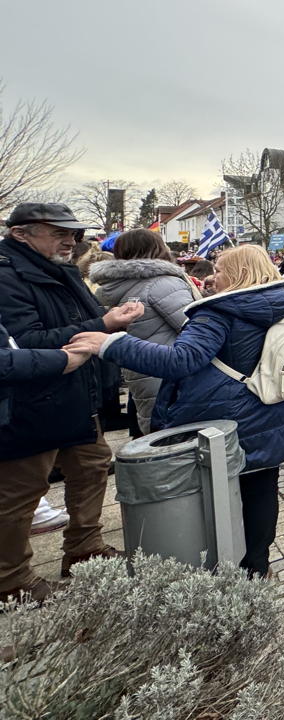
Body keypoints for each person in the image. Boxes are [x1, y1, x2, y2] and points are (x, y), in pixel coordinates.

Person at [71, 245, 284, 578]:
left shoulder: (219, 312)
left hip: (226, 418)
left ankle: (221, 571)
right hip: (272, 412)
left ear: (240, 273)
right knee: (262, 490)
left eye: (221, 269)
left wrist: (110, 343)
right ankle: (257, 567)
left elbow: (180, 360)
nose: (213, 276)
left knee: (220, 497)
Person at [0, 202, 144, 602]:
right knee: (21, 491)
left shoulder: (59, 270)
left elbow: (78, 320)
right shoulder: (7, 276)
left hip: (75, 396)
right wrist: (103, 325)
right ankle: (10, 580)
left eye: (74, 234)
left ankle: (83, 548)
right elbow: (24, 345)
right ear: (21, 234)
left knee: (93, 466)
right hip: (29, 403)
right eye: (59, 233)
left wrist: (108, 317)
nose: (70, 240)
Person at [90, 228, 199, 435]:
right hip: (171, 373)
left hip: (144, 370)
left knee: (156, 433)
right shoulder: (162, 283)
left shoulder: (122, 285)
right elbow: (195, 328)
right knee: (175, 441)